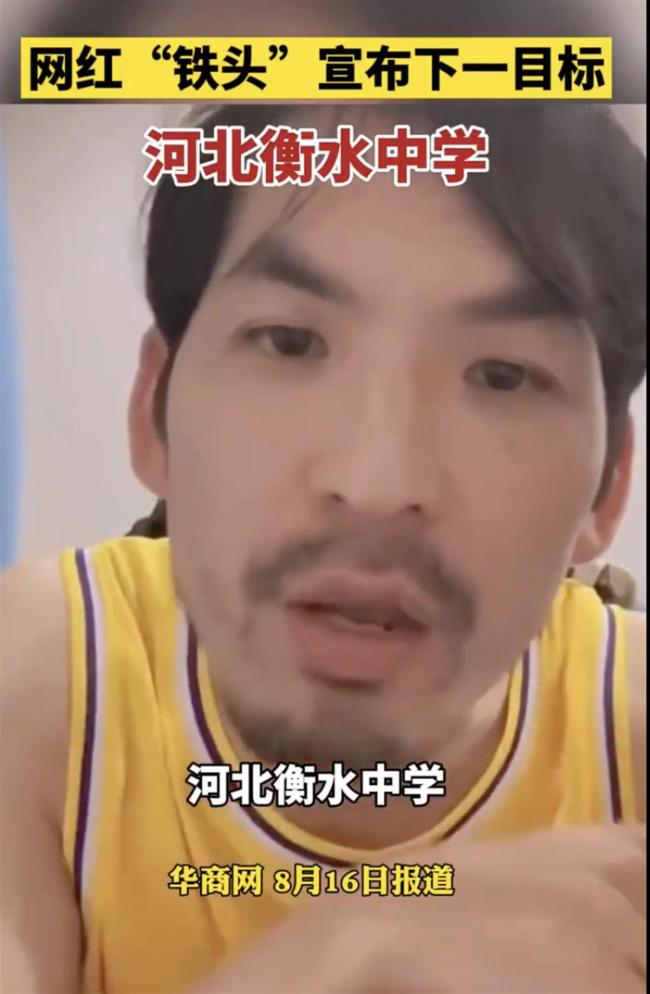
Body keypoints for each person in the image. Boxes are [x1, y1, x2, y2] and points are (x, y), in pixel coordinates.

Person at [1, 100, 646, 994]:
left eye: (502, 376)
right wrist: (345, 956)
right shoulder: (39, 681)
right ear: (154, 412)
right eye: (290, 341)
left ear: (607, 486)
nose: (378, 483)